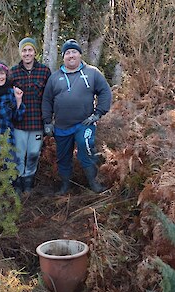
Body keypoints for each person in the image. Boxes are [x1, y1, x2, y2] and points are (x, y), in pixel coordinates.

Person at [42, 39, 112, 194]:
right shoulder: (54, 77)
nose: (71, 55)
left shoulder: (92, 73)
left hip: (84, 123)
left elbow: (105, 92)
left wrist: (98, 113)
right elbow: (46, 100)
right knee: (63, 157)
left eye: (74, 52)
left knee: (86, 148)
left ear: (80, 54)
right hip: (61, 126)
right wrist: (47, 121)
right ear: (63, 57)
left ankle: (94, 184)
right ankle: (65, 186)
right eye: (67, 53)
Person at [11, 37, 51, 193]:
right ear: (20, 53)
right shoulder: (13, 72)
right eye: (24, 50)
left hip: (37, 122)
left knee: (34, 153)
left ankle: (29, 179)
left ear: (35, 52)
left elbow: (49, 97)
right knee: (19, 155)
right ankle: (19, 180)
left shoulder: (44, 71)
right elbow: (6, 96)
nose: (27, 53)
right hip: (19, 122)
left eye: (30, 50)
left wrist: (48, 120)